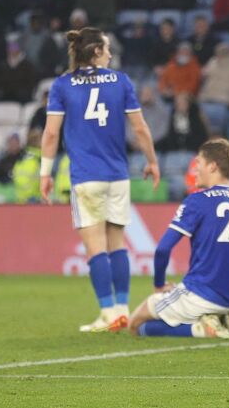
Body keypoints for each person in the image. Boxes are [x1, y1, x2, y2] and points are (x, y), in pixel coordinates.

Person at [40, 27, 160, 333]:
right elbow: (141, 128)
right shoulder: (121, 81)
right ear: (95, 52)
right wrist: (151, 161)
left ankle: (108, 313)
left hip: (86, 177)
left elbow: (52, 133)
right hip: (117, 176)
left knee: (96, 249)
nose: (110, 54)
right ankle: (122, 308)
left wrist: (45, 173)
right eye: (106, 49)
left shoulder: (62, 85)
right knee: (117, 245)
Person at [128, 138, 229, 339]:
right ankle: (225, 320)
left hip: (199, 294)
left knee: (135, 324)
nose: (194, 170)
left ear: (212, 166)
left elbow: (163, 249)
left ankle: (199, 329)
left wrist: (159, 285)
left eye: (198, 164)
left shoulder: (198, 200)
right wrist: (227, 278)